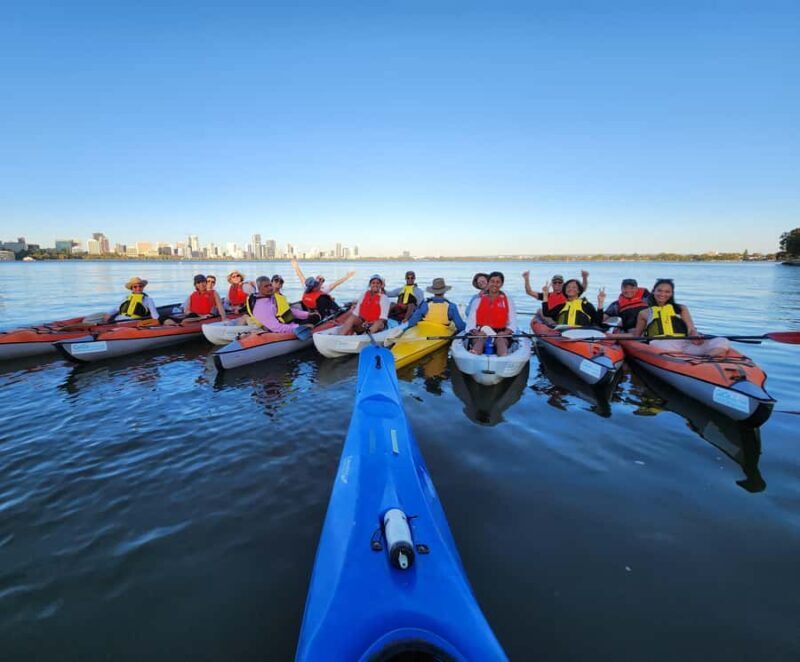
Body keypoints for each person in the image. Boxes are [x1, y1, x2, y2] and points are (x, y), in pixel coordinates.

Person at [632, 279, 730, 357]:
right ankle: (698, 360)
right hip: (662, 345)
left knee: (721, 340)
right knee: (663, 345)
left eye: (667, 292)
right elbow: (637, 335)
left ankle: (707, 359)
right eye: (659, 291)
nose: (662, 294)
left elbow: (691, 328)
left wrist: (694, 335)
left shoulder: (681, 308)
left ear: (671, 294)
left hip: (684, 343)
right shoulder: (644, 313)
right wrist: (617, 337)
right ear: (653, 291)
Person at [465, 271, 517, 356]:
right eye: (492, 281)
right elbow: (471, 321)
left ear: (501, 284)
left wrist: (505, 333)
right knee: (480, 340)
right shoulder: (477, 300)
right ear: (488, 283)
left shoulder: (508, 301)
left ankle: (504, 357)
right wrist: (477, 333)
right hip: (481, 332)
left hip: (501, 333)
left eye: (498, 282)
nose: (494, 284)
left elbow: (512, 322)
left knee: (501, 342)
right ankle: (474, 355)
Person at [246, 276, 315, 339]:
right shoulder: (261, 307)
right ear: (259, 288)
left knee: (314, 317)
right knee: (314, 322)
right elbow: (276, 327)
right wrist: (300, 326)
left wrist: (307, 314)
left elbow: (287, 311)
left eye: (270, 285)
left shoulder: (271, 297)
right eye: (266, 286)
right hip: (277, 332)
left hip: (288, 323)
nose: (270, 288)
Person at [523, 270, 589, 320]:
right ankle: (551, 325)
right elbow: (529, 292)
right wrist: (526, 279)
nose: (557, 284)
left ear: (563, 284)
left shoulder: (568, 293)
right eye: (555, 282)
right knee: (540, 310)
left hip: (564, 318)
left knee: (540, 311)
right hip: (550, 318)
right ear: (552, 284)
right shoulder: (547, 295)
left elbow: (582, 289)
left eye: (560, 282)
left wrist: (584, 278)